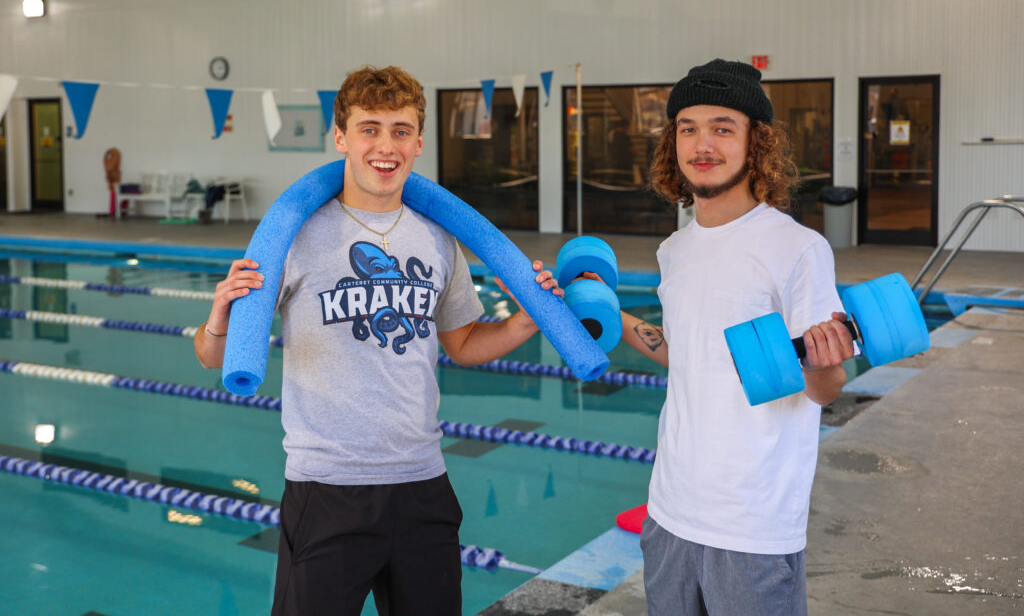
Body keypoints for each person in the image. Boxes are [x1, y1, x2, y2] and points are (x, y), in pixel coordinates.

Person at [193, 65, 563, 616]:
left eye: (400, 130)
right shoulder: (295, 235)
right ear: (341, 137)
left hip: (423, 485)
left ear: (417, 143)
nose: (384, 146)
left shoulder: (438, 237)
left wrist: (524, 323)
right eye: (369, 128)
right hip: (327, 490)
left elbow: (462, 343)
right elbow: (213, 356)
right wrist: (222, 313)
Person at [618, 59, 854, 614]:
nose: (703, 144)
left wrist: (822, 362)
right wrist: (605, 316)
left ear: (756, 144)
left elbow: (825, 388)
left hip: (752, 528)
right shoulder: (674, 251)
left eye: (723, 128)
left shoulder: (796, 248)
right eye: (688, 128)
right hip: (670, 513)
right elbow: (689, 355)